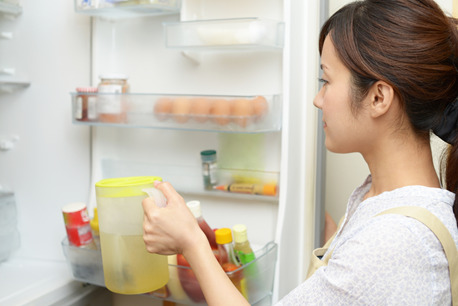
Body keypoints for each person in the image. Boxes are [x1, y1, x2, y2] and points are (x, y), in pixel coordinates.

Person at [142, 0, 458, 304]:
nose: (318, 100)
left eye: (326, 80)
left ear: (378, 98)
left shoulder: (395, 241)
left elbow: (375, 258)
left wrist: (191, 242)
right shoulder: (382, 195)